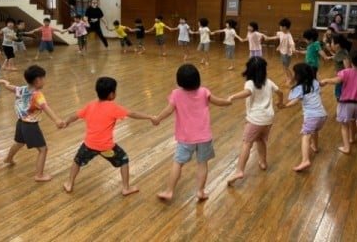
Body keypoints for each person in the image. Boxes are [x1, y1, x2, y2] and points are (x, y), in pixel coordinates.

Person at [62, 77, 155, 196]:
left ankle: (69, 183)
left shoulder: (90, 105)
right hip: (107, 147)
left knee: (77, 161)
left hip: (89, 145)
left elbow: (75, 116)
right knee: (124, 160)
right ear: (112, 94)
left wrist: (66, 122)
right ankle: (126, 188)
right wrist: (150, 117)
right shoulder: (113, 107)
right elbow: (133, 114)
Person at [152, 64, 231, 201]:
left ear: (179, 81)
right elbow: (219, 102)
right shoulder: (204, 92)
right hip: (204, 137)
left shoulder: (176, 94)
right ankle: (200, 191)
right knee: (202, 163)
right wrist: (228, 101)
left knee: (178, 163)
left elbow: (168, 110)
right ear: (197, 79)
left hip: (185, 138)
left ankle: (169, 190)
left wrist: (158, 118)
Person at [226, 57, 284, 186]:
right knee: (261, 140)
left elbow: (247, 92)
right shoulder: (269, 82)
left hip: (255, 120)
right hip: (268, 119)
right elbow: (280, 92)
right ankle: (263, 162)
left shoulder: (250, 83)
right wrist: (280, 101)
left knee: (247, 143)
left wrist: (233, 96)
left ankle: (239, 171)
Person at [3, 65, 65, 182]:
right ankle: (39, 175)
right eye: (43, 78)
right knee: (43, 149)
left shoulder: (23, 89)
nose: (44, 81)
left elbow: (13, 88)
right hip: (30, 126)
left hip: (20, 123)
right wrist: (57, 120)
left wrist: (6, 84)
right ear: (37, 81)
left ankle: (8, 158)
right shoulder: (38, 95)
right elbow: (46, 108)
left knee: (19, 142)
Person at [320, 50, 357, 154]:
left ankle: (347, 148)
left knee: (344, 125)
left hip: (347, 103)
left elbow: (336, 81)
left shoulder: (346, 72)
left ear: (351, 61)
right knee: (353, 121)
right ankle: (352, 138)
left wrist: (325, 80)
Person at [279, 63, 327, 172]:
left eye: (295, 73)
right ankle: (315, 146)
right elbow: (319, 91)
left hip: (311, 116)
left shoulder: (300, 88)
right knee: (314, 130)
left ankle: (305, 160)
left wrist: (285, 106)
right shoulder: (315, 83)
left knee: (305, 136)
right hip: (323, 115)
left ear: (299, 76)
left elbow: (294, 101)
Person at [264, 18, 295, 84]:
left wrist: (293, 48)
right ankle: (289, 78)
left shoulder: (289, 35)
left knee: (286, 67)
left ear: (285, 27)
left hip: (287, 54)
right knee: (284, 67)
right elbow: (276, 37)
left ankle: (291, 78)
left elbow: (292, 43)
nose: (279, 27)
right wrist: (268, 38)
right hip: (282, 52)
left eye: (280, 26)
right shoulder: (281, 33)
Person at [327, 34, 351, 100]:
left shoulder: (343, 54)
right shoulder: (340, 51)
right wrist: (331, 57)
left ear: (337, 45)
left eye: (332, 42)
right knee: (339, 95)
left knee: (340, 97)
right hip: (339, 78)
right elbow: (337, 56)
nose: (330, 44)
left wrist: (347, 81)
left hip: (342, 80)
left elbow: (348, 68)